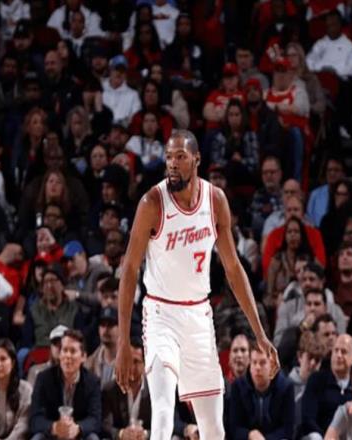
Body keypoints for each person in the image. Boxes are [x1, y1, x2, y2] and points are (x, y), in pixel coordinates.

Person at [116, 129, 279, 440]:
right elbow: (129, 271)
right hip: (161, 315)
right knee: (162, 415)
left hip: (199, 317)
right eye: (168, 157)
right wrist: (123, 342)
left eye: (180, 157)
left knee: (214, 430)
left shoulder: (215, 200)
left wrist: (260, 334)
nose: (172, 164)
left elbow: (234, 269)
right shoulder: (152, 202)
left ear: (196, 160)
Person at [29, 329, 101, 440]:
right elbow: (35, 419)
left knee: (93, 437)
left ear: (83, 357)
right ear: (59, 354)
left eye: (73, 351)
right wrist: (54, 427)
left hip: (79, 435)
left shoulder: (92, 382)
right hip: (52, 435)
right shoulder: (43, 378)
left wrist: (77, 428)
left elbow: (95, 419)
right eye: (64, 350)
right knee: (37, 437)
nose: (68, 356)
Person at [228, 341, 295, 440]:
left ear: (272, 364)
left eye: (262, 363)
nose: (257, 367)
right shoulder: (238, 387)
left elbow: (288, 429)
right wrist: (249, 434)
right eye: (254, 362)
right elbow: (234, 428)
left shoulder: (286, 387)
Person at [301, 334, 352, 437]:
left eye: (343, 352)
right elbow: (308, 419)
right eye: (336, 351)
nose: (338, 355)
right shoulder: (316, 380)